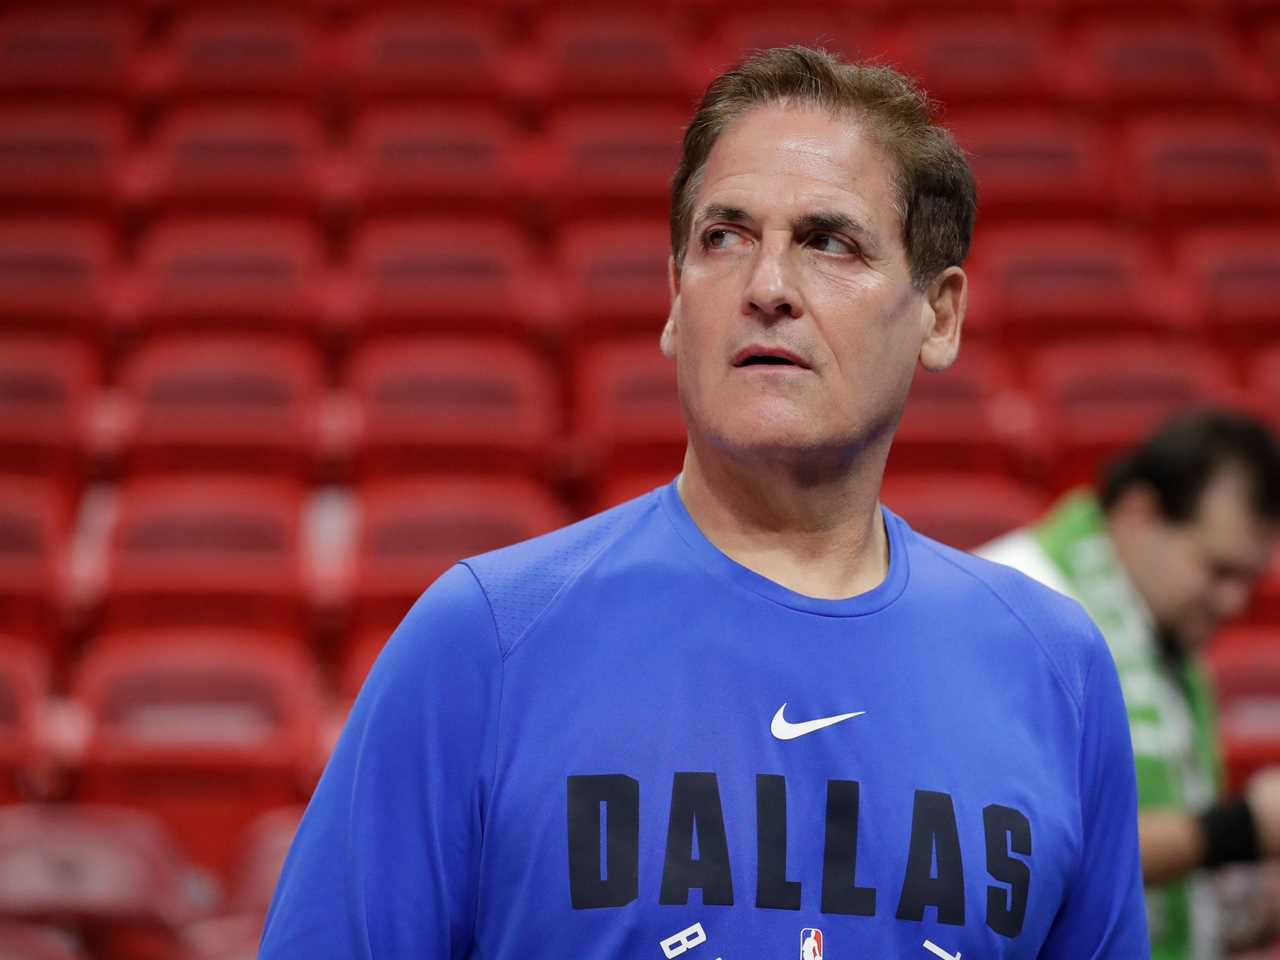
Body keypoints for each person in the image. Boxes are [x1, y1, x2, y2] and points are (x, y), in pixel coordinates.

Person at [260, 46, 1148, 958]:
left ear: (941, 315)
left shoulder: (1058, 671)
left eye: (828, 241)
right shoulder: (485, 638)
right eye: (723, 238)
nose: (766, 288)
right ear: (677, 299)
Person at [980, 409, 1280, 960]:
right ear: (1140, 514)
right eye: (1217, 571)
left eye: (1248, 580)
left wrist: (1251, 900)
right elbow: (1008, 848)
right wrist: (1238, 829)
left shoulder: (1163, 638)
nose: (1234, 603)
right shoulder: (1012, 604)